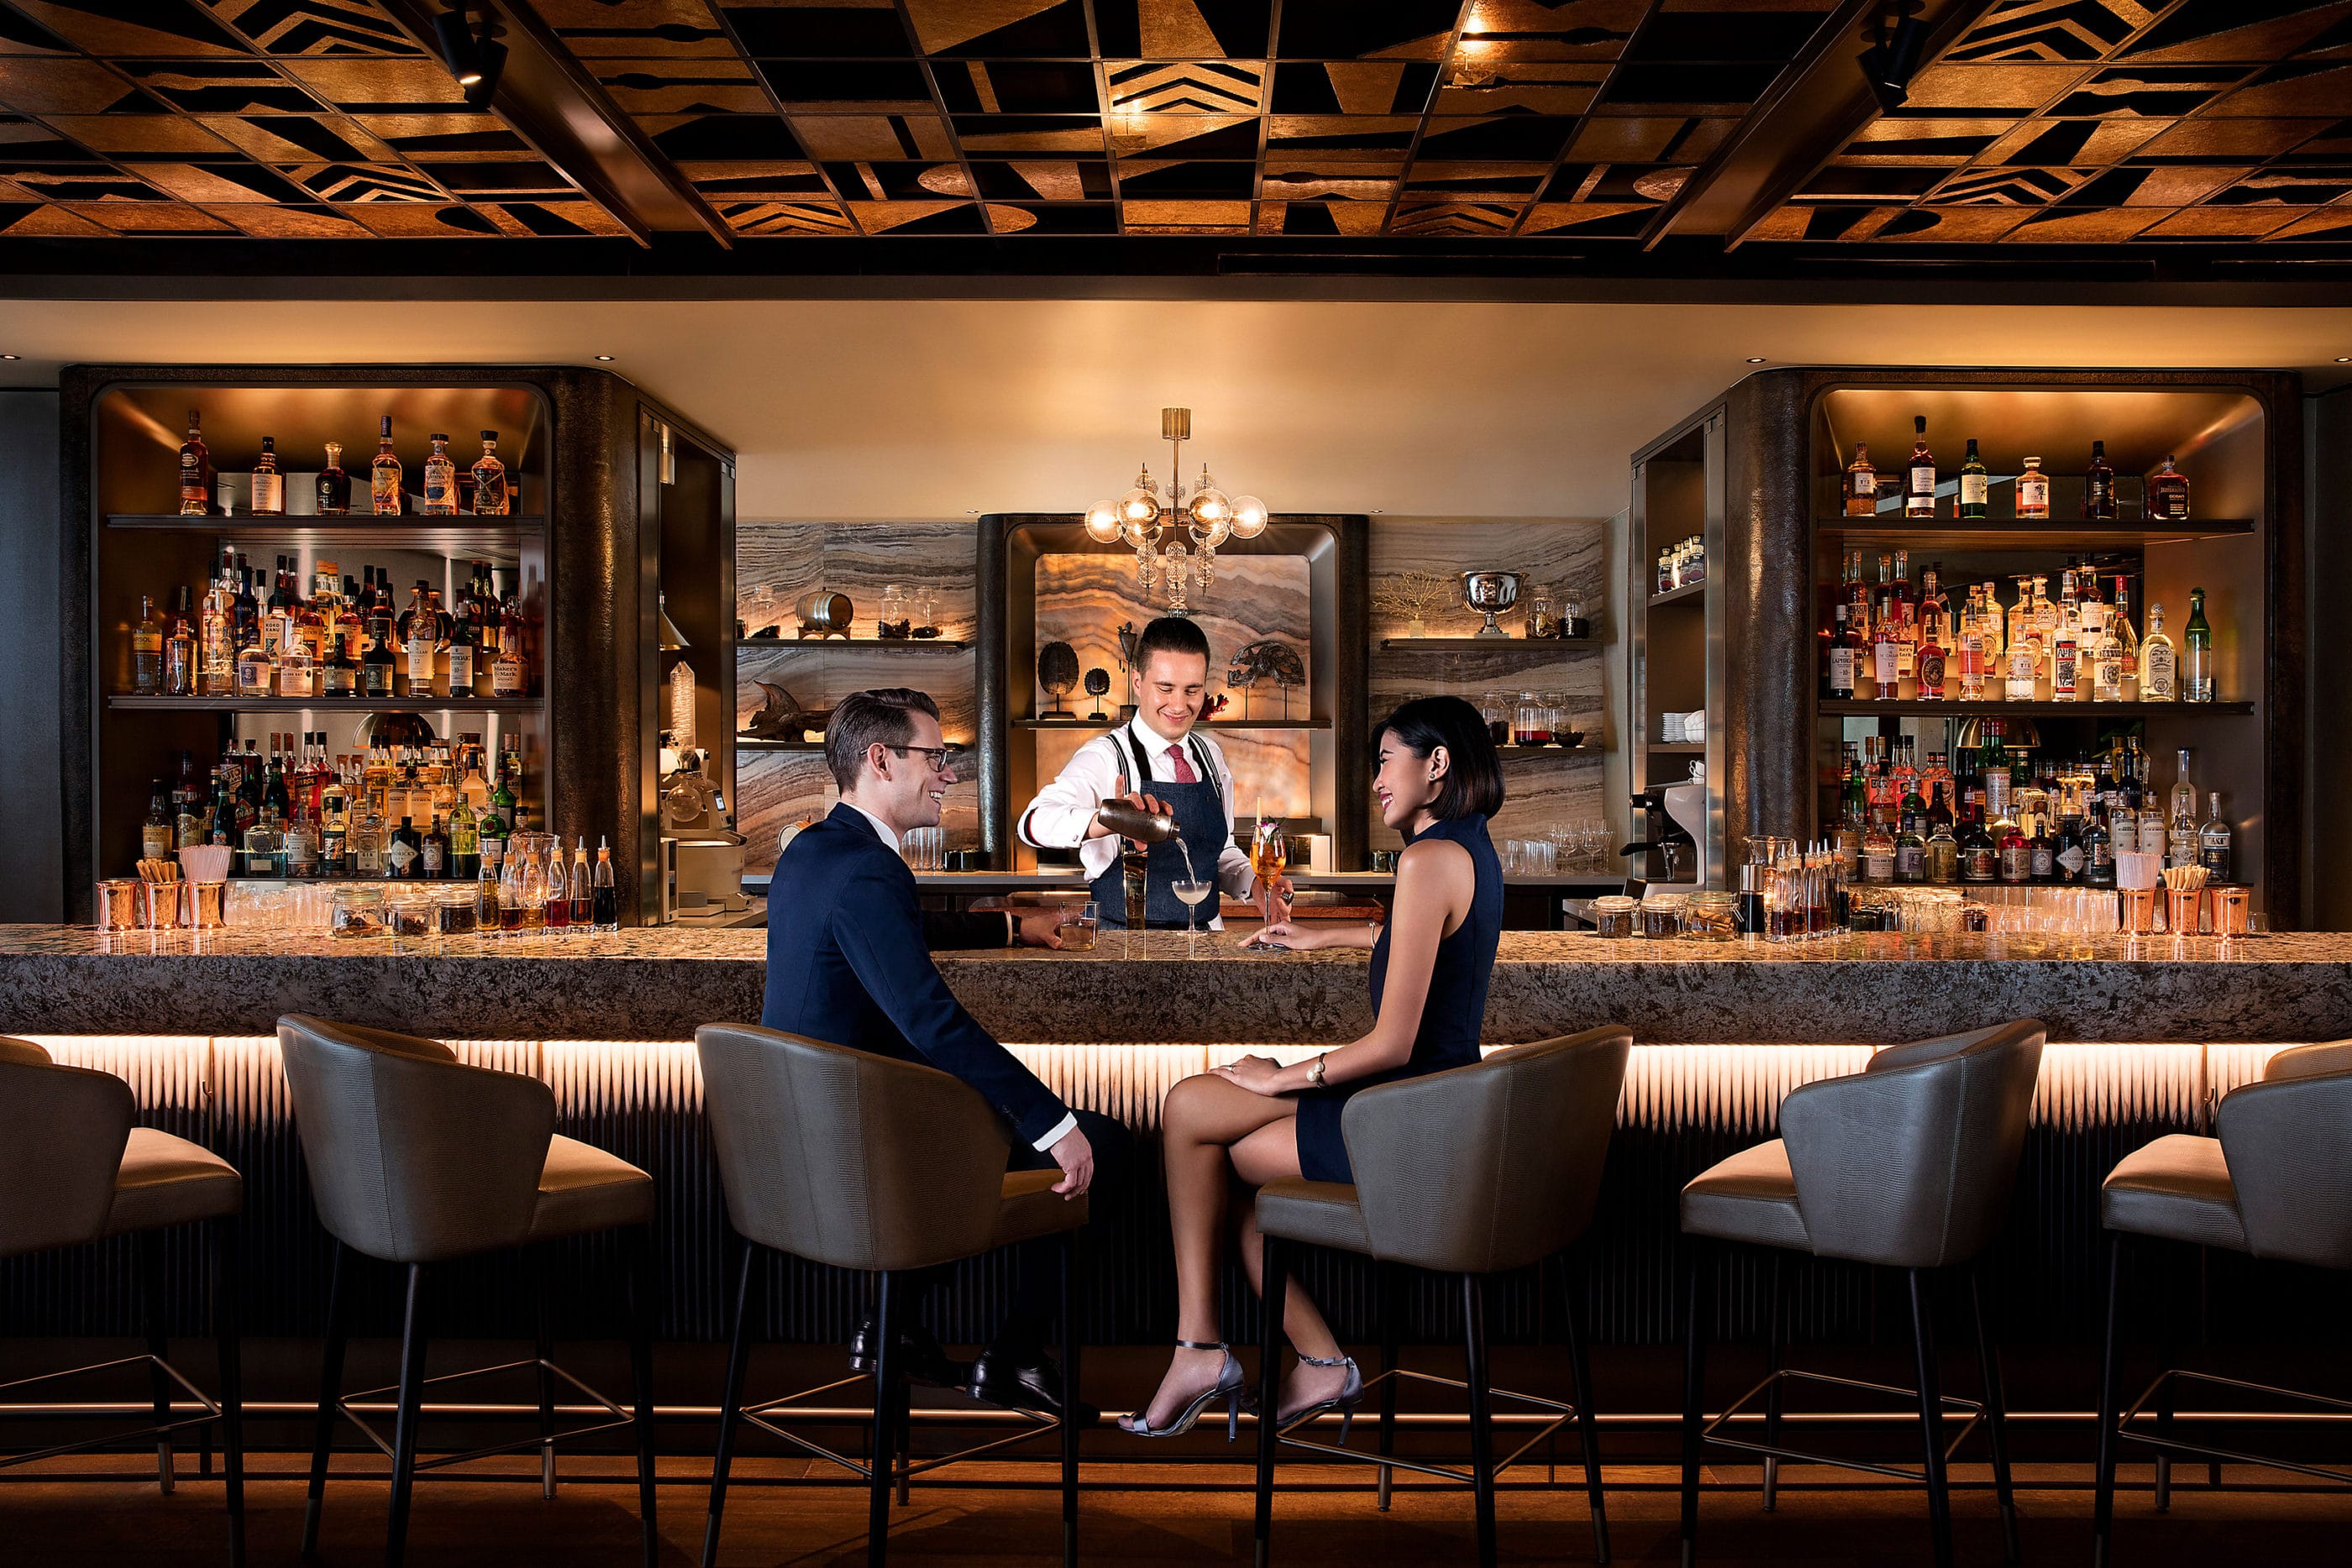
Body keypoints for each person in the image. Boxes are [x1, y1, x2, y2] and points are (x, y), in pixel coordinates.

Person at [1116, 695, 1504, 1438]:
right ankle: (1270, 1356)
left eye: (1388, 760)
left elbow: (1391, 1042)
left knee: (1205, 1125)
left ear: (1438, 764)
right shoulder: (1468, 848)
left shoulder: (1426, 860)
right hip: (1437, 1106)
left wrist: (1279, 1075)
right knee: (1198, 1118)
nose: (1378, 780)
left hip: (1405, 1113)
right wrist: (1330, 935)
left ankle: (1212, 1348)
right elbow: (1427, 943)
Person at [762, 687, 1130, 1419]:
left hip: (799, 1145)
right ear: (879, 759)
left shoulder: (815, 849)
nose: (949, 775)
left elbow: (892, 935)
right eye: (935, 757)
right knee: (1105, 1145)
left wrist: (1007, 929)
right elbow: (932, 1019)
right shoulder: (872, 870)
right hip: (867, 1159)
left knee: (979, 1129)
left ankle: (891, 1329)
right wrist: (1051, 1121)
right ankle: (1017, 1356)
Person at [1018, 616, 1290, 930]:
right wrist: (1106, 819)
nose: (1179, 705)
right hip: (1125, 950)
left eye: (1192, 690)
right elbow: (1032, 823)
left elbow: (1219, 849)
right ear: (1138, 682)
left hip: (1206, 944)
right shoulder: (1105, 756)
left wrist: (1252, 882)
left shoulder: (1210, 756)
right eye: (1165, 688)